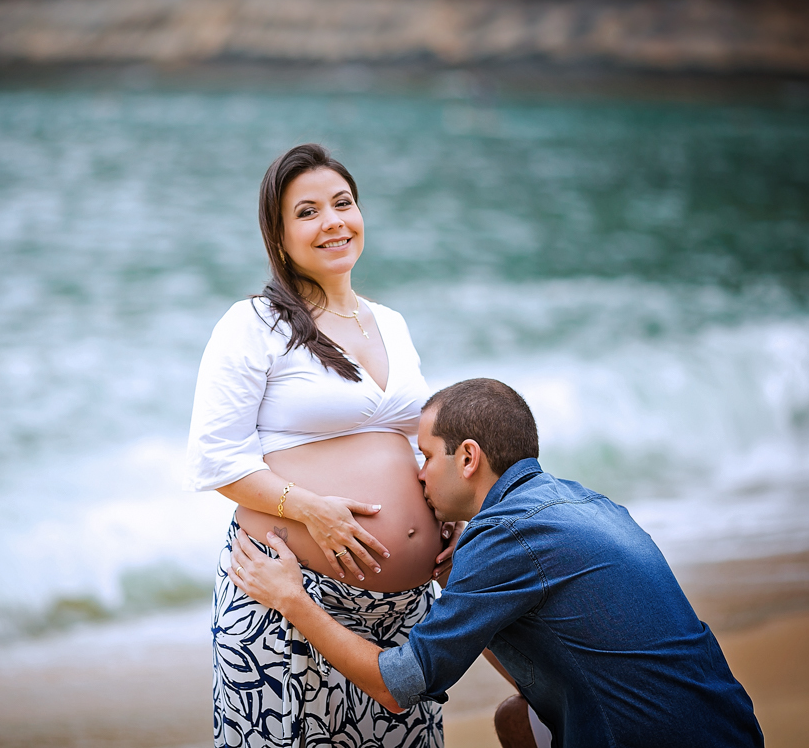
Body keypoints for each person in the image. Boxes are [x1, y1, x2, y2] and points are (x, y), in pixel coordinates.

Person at [228, 378, 765, 748]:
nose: (417, 475)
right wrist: (462, 586)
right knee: (518, 719)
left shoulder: (507, 533)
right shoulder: (577, 502)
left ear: (467, 458)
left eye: (426, 455)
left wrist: (292, 601)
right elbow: (551, 667)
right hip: (730, 731)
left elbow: (397, 688)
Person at [186, 144, 455, 747]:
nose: (333, 221)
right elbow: (215, 461)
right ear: (279, 238)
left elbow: (416, 445)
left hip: (403, 617)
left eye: (343, 203)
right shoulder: (254, 323)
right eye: (307, 212)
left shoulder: (392, 323)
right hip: (287, 604)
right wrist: (313, 511)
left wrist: (451, 514)